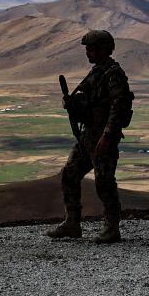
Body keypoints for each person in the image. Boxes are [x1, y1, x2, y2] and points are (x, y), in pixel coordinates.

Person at [47, 29, 134, 243]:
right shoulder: (96, 73)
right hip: (88, 136)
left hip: (103, 137)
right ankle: (72, 223)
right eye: (87, 49)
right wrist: (72, 104)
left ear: (105, 49)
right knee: (69, 174)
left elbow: (118, 107)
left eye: (92, 49)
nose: (88, 53)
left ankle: (112, 228)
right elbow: (84, 99)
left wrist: (107, 136)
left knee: (104, 181)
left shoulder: (114, 74)